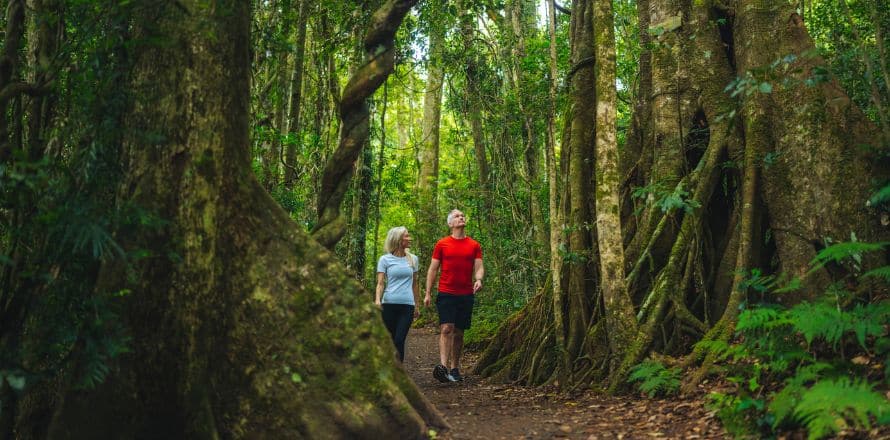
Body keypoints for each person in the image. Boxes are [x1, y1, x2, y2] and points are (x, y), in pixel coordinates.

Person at [424, 209, 484, 383]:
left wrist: (478, 279)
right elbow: (433, 269)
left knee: (459, 332)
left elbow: (479, 266)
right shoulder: (442, 244)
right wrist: (428, 292)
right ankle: (442, 368)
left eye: (462, 215)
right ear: (450, 224)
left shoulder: (474, 245)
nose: (461, 217)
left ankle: (455, 368)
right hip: (446, 292)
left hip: (466, 293)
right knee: (446, 328)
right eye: (457, 216)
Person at [376, 226, 421, 362]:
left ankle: (399, 374)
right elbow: (380, 283)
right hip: (388, 304)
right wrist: (377, 300)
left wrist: (417, 305)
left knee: (399, 339)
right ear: (398, 240)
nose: (409, 238)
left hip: (407, 306)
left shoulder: (413, 259)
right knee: (389, 340)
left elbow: (415, 284)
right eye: (406, 236)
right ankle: (388, 371)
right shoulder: (385, 260)